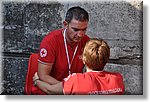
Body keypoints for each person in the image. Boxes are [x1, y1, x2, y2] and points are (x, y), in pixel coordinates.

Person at [33, 38, 125, 95]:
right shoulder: (117, 79)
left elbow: (49, 90)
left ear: (84, 60)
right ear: (106, 59)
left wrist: (36, 81)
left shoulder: (76, 80)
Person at [32, 6, 90, 94]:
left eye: (84, 30)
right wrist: (67, 87)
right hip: (51, 87)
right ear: (65, 25)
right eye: (75, 29)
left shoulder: (87, 42)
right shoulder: (50, 41)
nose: (80, 35)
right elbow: (43, 75)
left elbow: (92, 73)